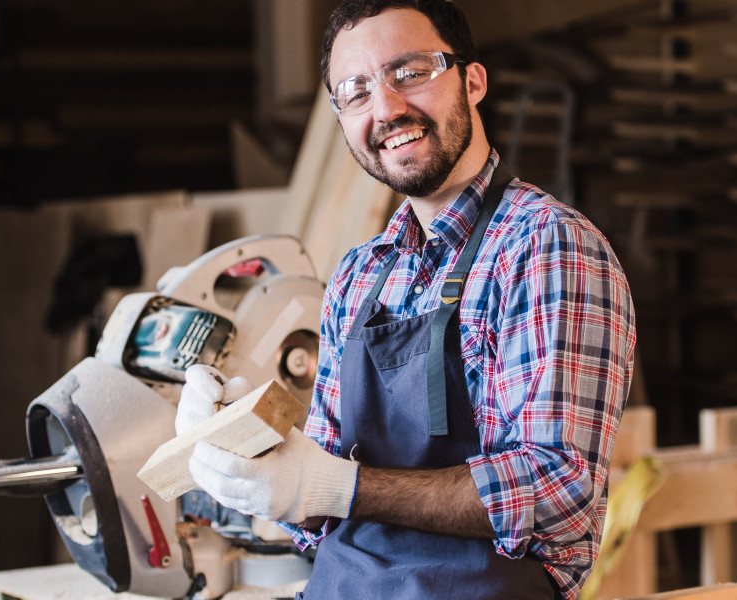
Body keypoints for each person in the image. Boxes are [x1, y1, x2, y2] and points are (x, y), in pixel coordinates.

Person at [175, 1, 637, 598]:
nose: (387, 108)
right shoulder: (358, 275)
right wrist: (249, 452)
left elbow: (556, 491)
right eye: (356, 91)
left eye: (411, 73)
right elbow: (317, 513)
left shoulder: (547, 245)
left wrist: (336, 487)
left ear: (473, 80)